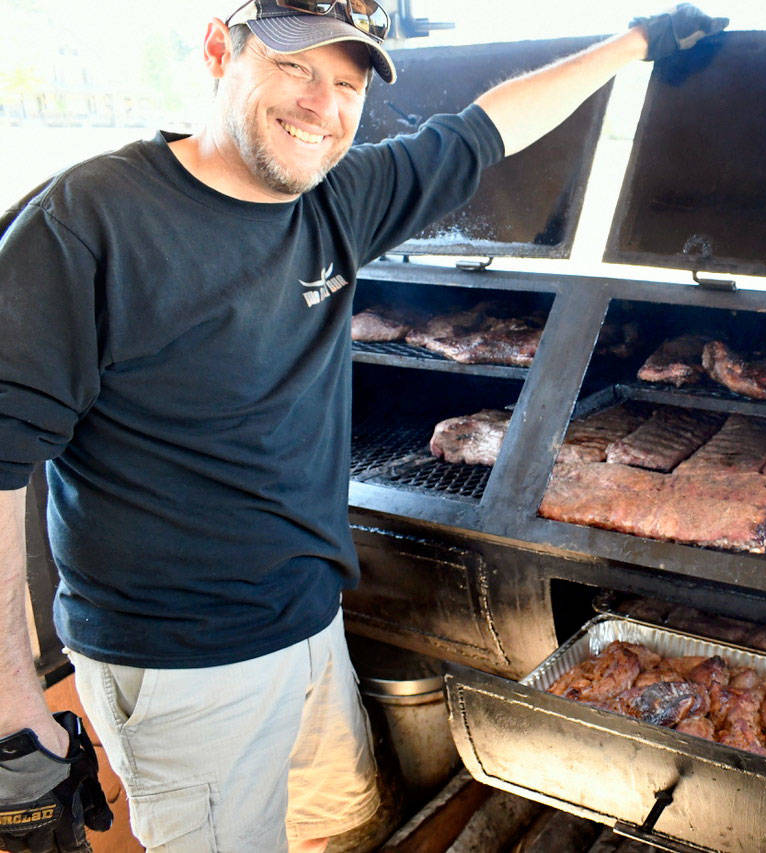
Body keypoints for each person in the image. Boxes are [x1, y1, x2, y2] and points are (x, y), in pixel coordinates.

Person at [0, 1, 727, 850]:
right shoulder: (87, 223)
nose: (322, 104)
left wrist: (637, 42)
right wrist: (13, 708)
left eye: (346, 83)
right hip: (182, 665)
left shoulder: (335, 198)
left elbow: (484, 130)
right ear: (216, 51)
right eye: (295, 68)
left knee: (339, 828)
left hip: (309, 623)